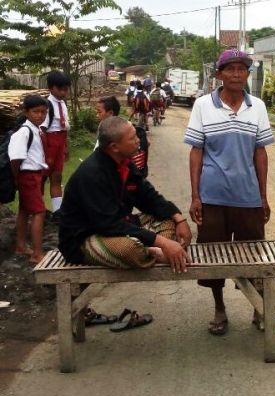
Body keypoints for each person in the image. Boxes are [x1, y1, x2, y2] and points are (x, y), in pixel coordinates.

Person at [185, 49, 275, 336]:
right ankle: (219, 309)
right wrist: (196, 196)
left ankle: (260, 311)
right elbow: (196, 152)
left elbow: (261, 154)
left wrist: (263, 196)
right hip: (212, 197)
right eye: (229, 69)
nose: (235, 74)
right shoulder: (203, 106)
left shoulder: (257, 107)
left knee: (256, 257)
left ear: (247, 74)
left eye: (241, 69)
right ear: (219, 74)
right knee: (212, 259)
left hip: (247, 197)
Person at [59, 117, 191, 331]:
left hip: (117, 226)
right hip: (86, 239)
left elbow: (149, 198)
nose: (139, 140)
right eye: (132, 138)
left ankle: (156, 250)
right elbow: (108, 224)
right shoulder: (92, 174)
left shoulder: (125, 164)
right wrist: (162, 242)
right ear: (114, 147)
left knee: (165, 219)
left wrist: (179, 218)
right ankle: (158, 251)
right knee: (128, 249)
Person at [9, 95, 49, 264]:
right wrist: (17, 178)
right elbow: (15, 159)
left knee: (25, 210)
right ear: (26, 112)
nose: (40, 115)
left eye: (43, 112)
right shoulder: (24, 132)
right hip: (28, 175)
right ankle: (37, 253)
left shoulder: (36, 130)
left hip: (35, 174)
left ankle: (21, 245)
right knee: (39, 212)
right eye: (35, 112)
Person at [41, 70, 71, 222]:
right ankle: (38, 209)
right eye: (61, 89)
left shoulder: (63, 104)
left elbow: (65, 127)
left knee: (57, 177)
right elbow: (43, 129)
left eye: (66, 89)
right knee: (42, 177)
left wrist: (65, 146)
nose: (64, 92)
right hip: (49, 143)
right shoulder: (46, 105)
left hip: (60, 142)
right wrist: (45, 152)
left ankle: (57, 211)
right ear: (51, 88)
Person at [95, 96, 149, 177]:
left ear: (110, 113)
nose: (97, 115)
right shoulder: (124, 125)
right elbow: (147, 143)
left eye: (99, 112)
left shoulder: (112, 133)